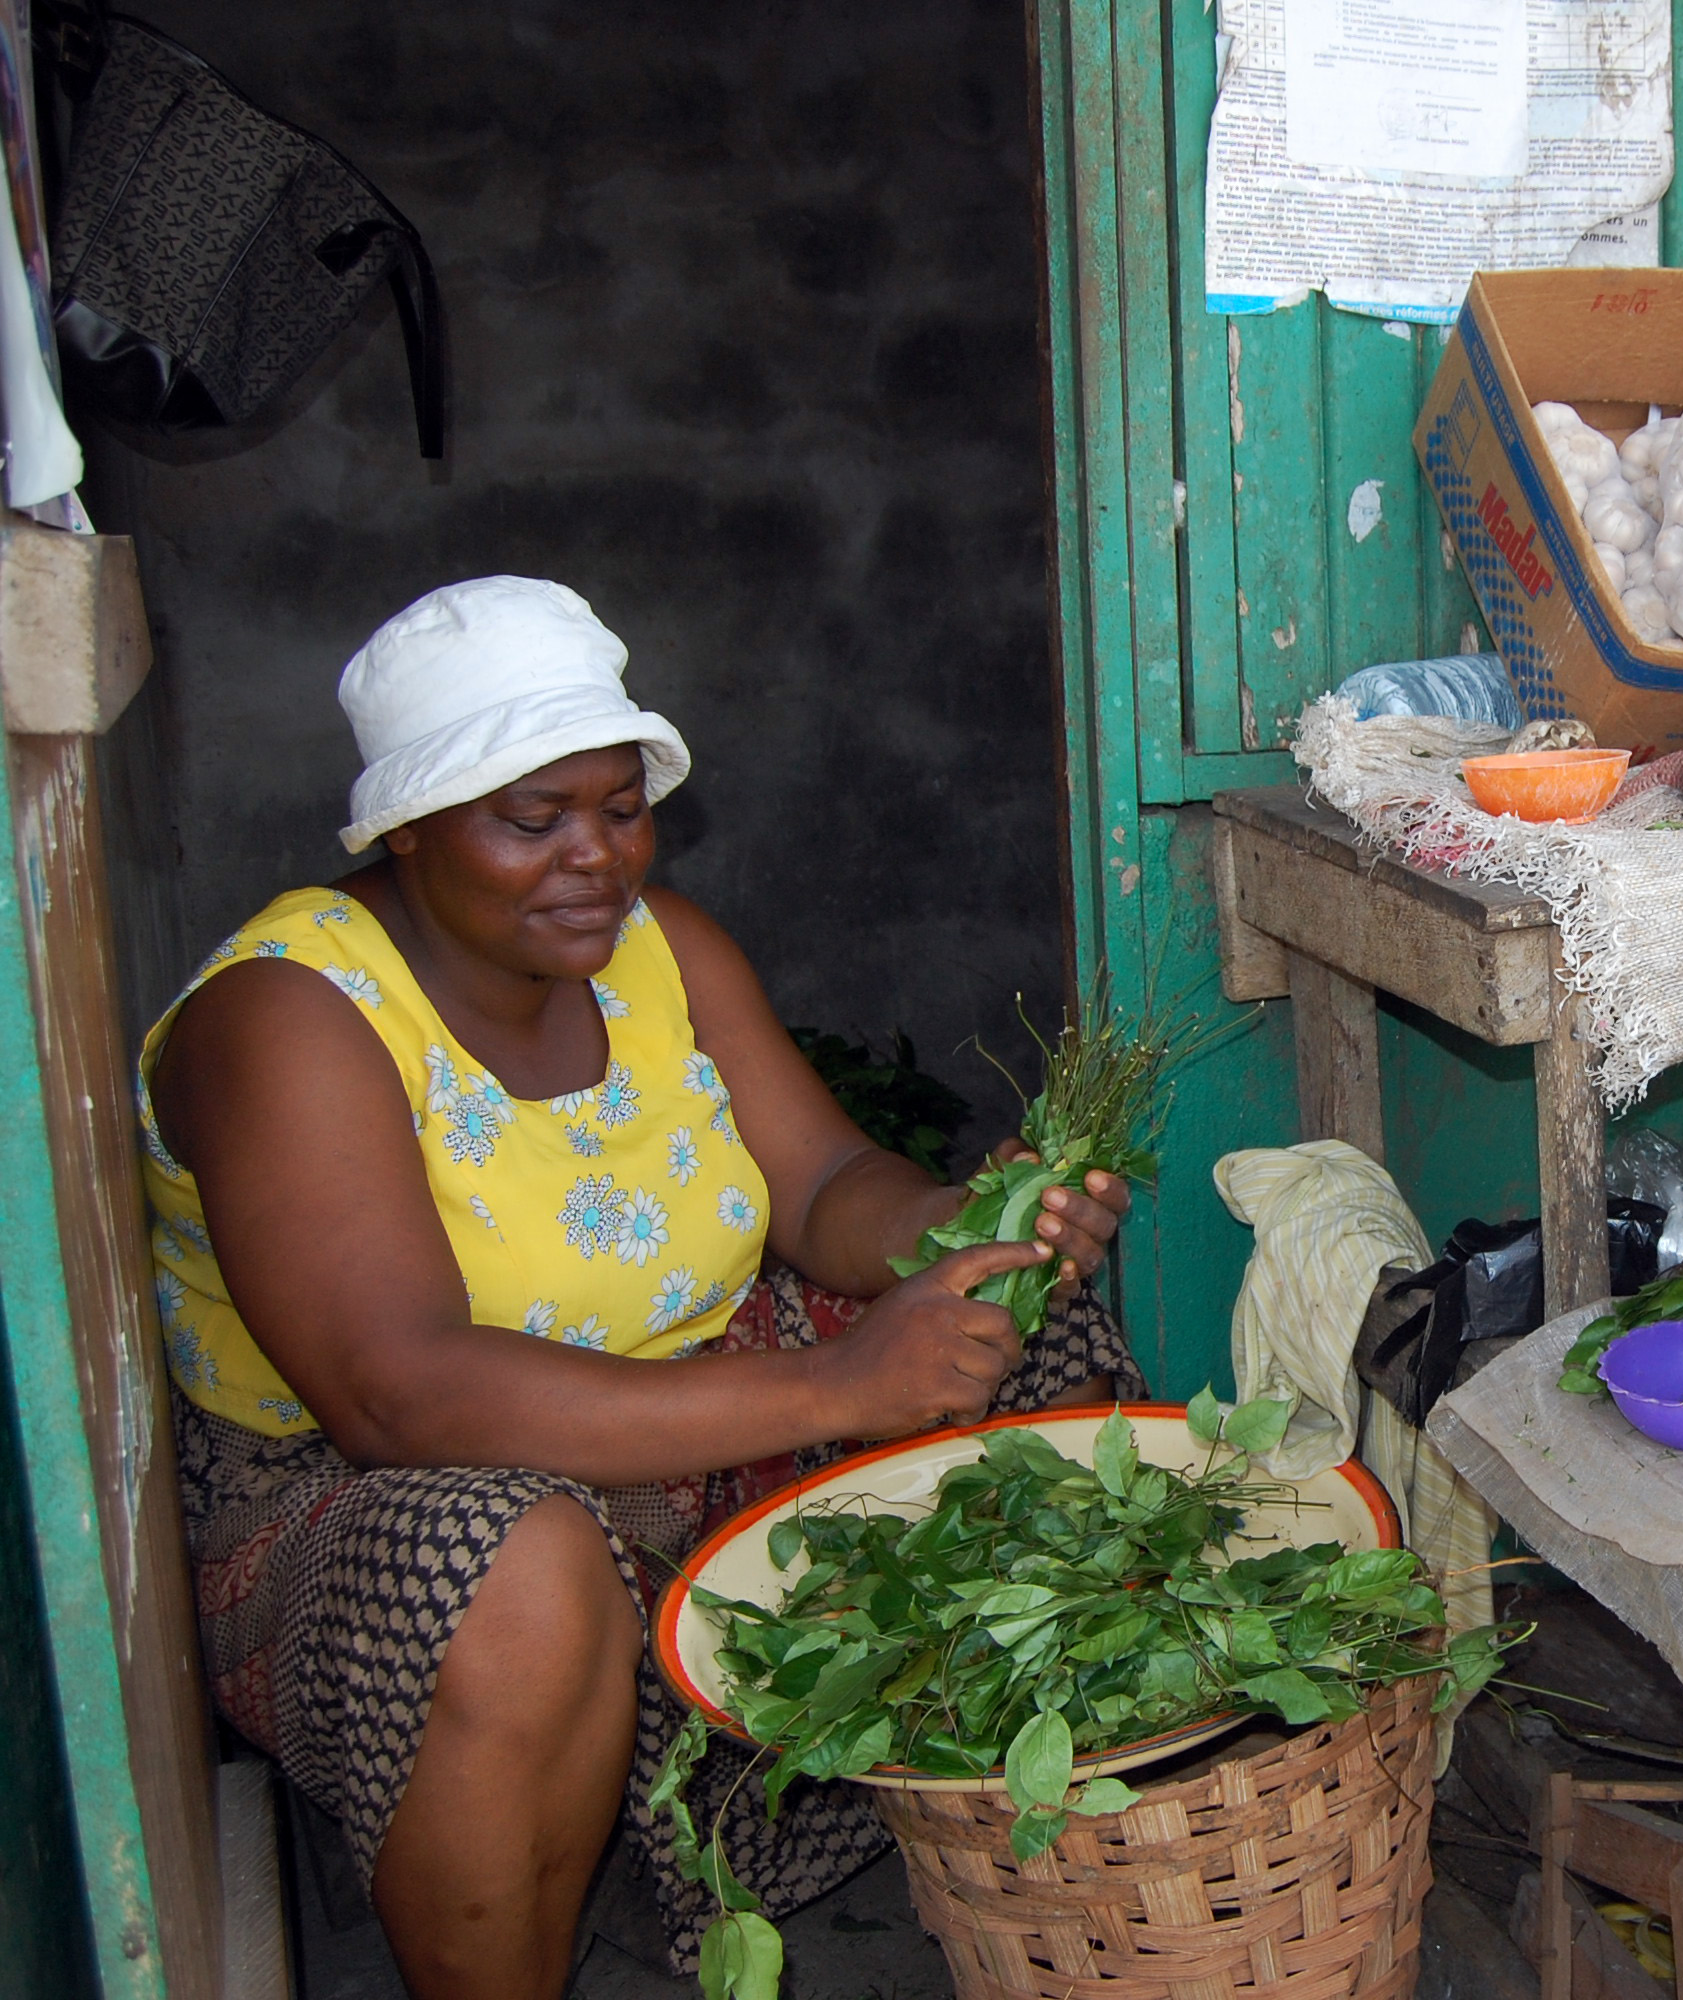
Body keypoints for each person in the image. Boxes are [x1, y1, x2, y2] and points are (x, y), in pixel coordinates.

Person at [137, 577, 1136, 1999]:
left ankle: (998, 1853)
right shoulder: (288, 1015)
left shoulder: (662, 948)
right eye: (530, 820)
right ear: (407, 828)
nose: (594, 858)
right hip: (360, 1496)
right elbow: (396, 1390)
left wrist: (971, 1227)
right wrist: (833, 1387)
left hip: (688, 1399)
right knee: (513, 1570)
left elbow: (824, 1191)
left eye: (618, 805)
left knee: (1029, 1347)